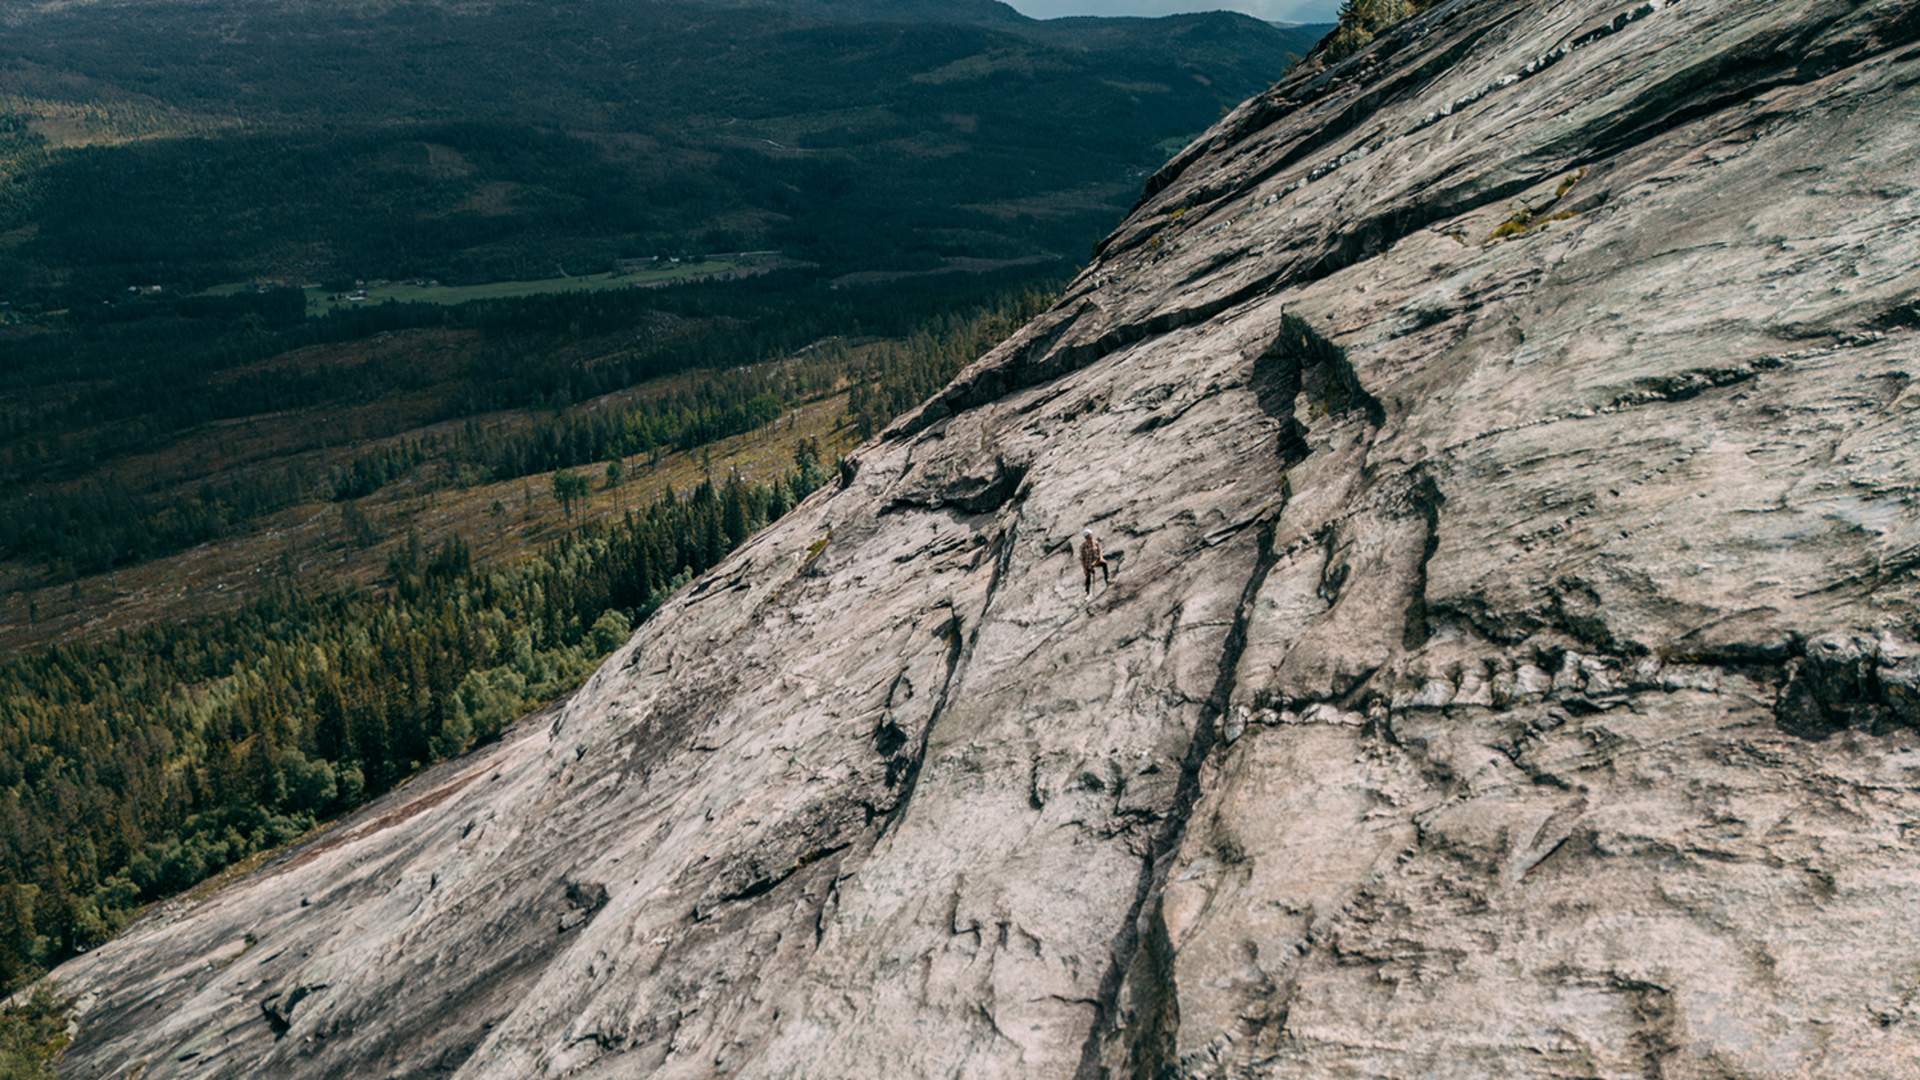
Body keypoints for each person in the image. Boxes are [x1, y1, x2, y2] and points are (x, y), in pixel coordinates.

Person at [1078, 527, 1111, 595]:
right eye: (1087, 537)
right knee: (1088, 575)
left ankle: (1107, 580)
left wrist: (1101, 557)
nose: (1089, 538)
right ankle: (1087, 592)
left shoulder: (1095, 542)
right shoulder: (1083, 547)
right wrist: (1084, 569)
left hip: (1096, 561)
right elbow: (1082, 559)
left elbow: (1099, 550)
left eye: (1090, 536)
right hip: (1088, 563)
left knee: (1104, 563)